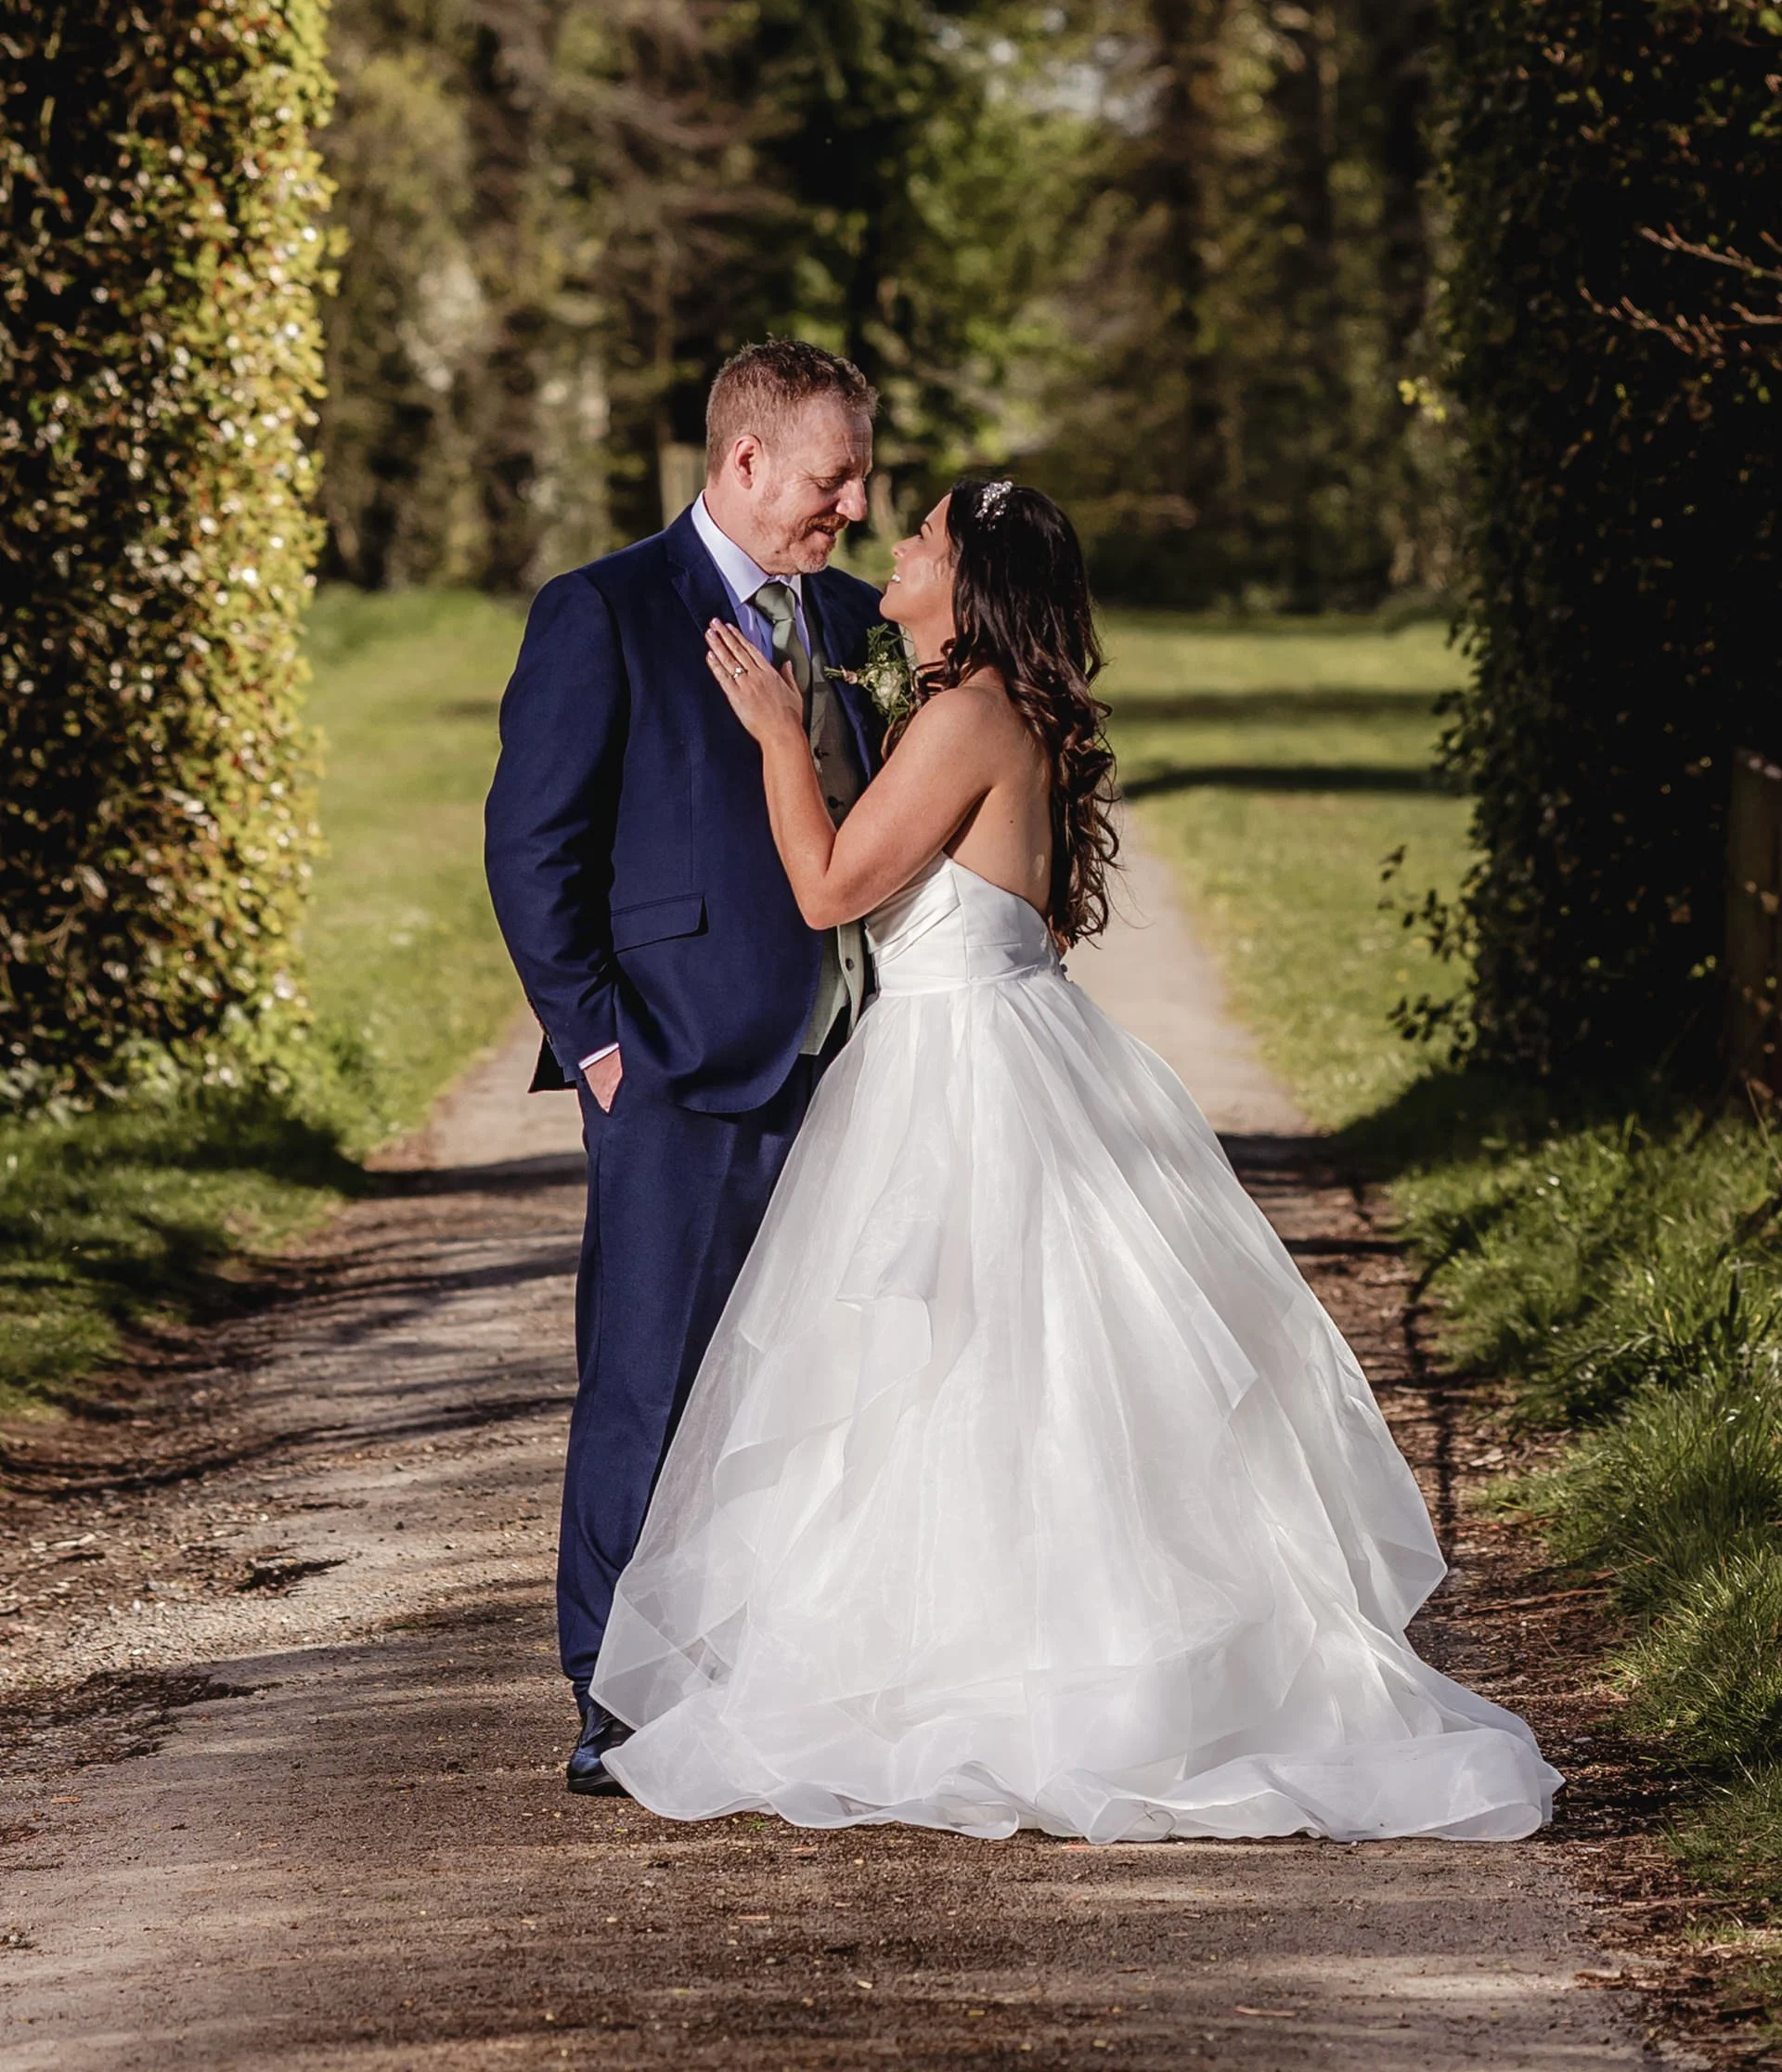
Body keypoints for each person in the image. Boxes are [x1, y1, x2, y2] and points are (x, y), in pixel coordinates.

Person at [590, 478, 1562, 1842]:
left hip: (962, 1071)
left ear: (973, 583)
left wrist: (772, 735)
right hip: (995, 1048)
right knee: (991, 1377)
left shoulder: (968, 715)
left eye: (924, 538)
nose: (899, 549)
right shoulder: (983, 708)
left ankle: (1004, 1690)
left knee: (975, 1372)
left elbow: (825, 889)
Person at [484, 340, 885, 1795]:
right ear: (745, 464)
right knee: (648, 1383)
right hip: (670, 1068)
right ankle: (614, 1697)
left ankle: (774, 1671)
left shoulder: (847, 618)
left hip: (852, 1069)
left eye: (859, 475)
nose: (851, 502)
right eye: (832, 475)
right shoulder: (602, 611)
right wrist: (598, 1044)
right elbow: (533, 849)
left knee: (818, 1384)